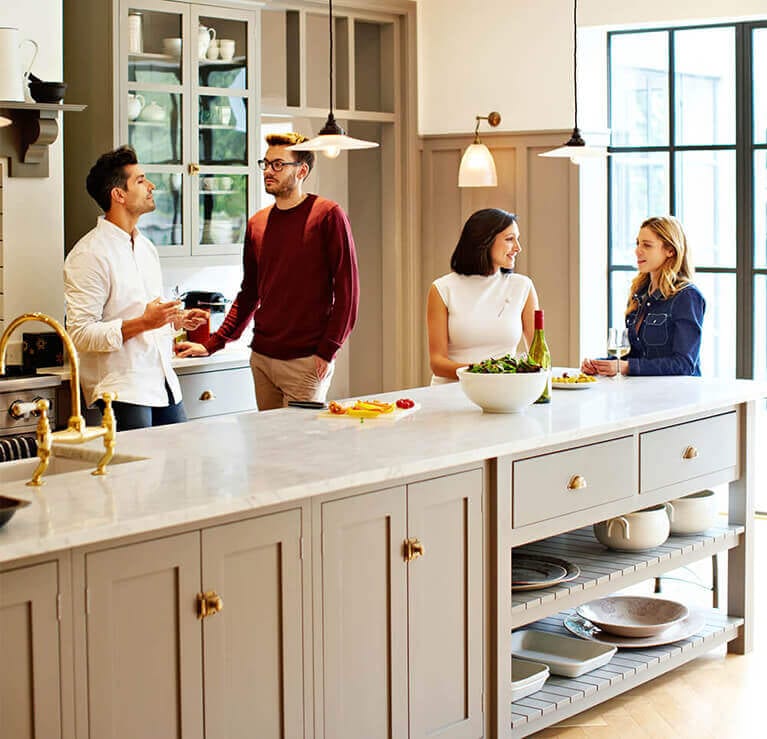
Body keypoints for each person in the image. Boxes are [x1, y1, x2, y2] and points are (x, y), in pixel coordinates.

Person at [175, 132, 360, 410]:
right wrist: (212, 344)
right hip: (261, 358)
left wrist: (327, 351)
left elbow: (348, 293)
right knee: (268, 449)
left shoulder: (327, 215)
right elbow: (249, 294)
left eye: (278, 165)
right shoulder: (257, 224)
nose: (268, 172)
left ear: (302, 171)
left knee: (300, 450)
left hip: (305, 361)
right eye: (266, 163)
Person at [64, 146, 209, 431]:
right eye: (141, 180)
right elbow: (79, 334)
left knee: (181, 468)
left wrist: (174, 319)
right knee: (137, 475)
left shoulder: (146, 248)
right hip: (124, 390)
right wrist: (144, 323)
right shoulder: (88, 255)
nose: (151, 186)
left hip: (164, 383)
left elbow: (142, 310)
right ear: (118, 195)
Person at [581, 215, 705, 377]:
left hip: (676, 395)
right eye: (638, 243)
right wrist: (601, 364)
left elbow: (684, 364)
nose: (638, 250)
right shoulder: (639, 293)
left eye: (647, 245)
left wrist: (625, 367)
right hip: (643, 393)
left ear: (670, 250)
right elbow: (636, 355)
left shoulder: (687, 296)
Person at [427, 208, 539, 384]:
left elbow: (538, 354)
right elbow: (437, 363)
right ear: (484, 241)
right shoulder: (442, 288)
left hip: (505, 394)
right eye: (510, 239)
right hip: (451, 393)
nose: (518, 248)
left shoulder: (523, 286)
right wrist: (484, 372)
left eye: (517, 239)